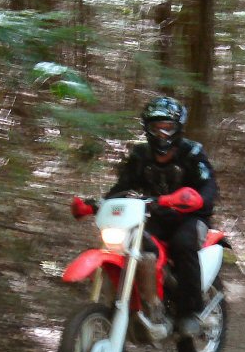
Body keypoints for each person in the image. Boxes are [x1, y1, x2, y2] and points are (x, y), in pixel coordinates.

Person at [71, 96, 219, 338]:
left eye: (167, 127)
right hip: (154, 215)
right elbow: (122, 186)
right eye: (155, 127)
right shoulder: (140, 155)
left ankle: (191, 312)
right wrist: (96, 205)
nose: (161, 133)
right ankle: (148, 304)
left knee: (183, 245)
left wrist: (196, 199)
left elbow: (209, 186)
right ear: (147, 129)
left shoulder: (192, 153)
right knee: (132, 243)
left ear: (177, 128)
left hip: (190, 216)